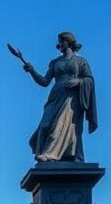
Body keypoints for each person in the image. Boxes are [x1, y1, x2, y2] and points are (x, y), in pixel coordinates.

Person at [21, 31, 97, 163]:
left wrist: (79, 82)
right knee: (45, 126)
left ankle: (50, 154)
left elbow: (89, 79)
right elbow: (44, 82)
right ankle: (46, 152)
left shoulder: (81, 61)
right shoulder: (55, 62)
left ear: (68, 42)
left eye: (61, 41)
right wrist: (32, 71)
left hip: (72, 98)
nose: (59, 44)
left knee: (60, 124)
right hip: (56, 96)